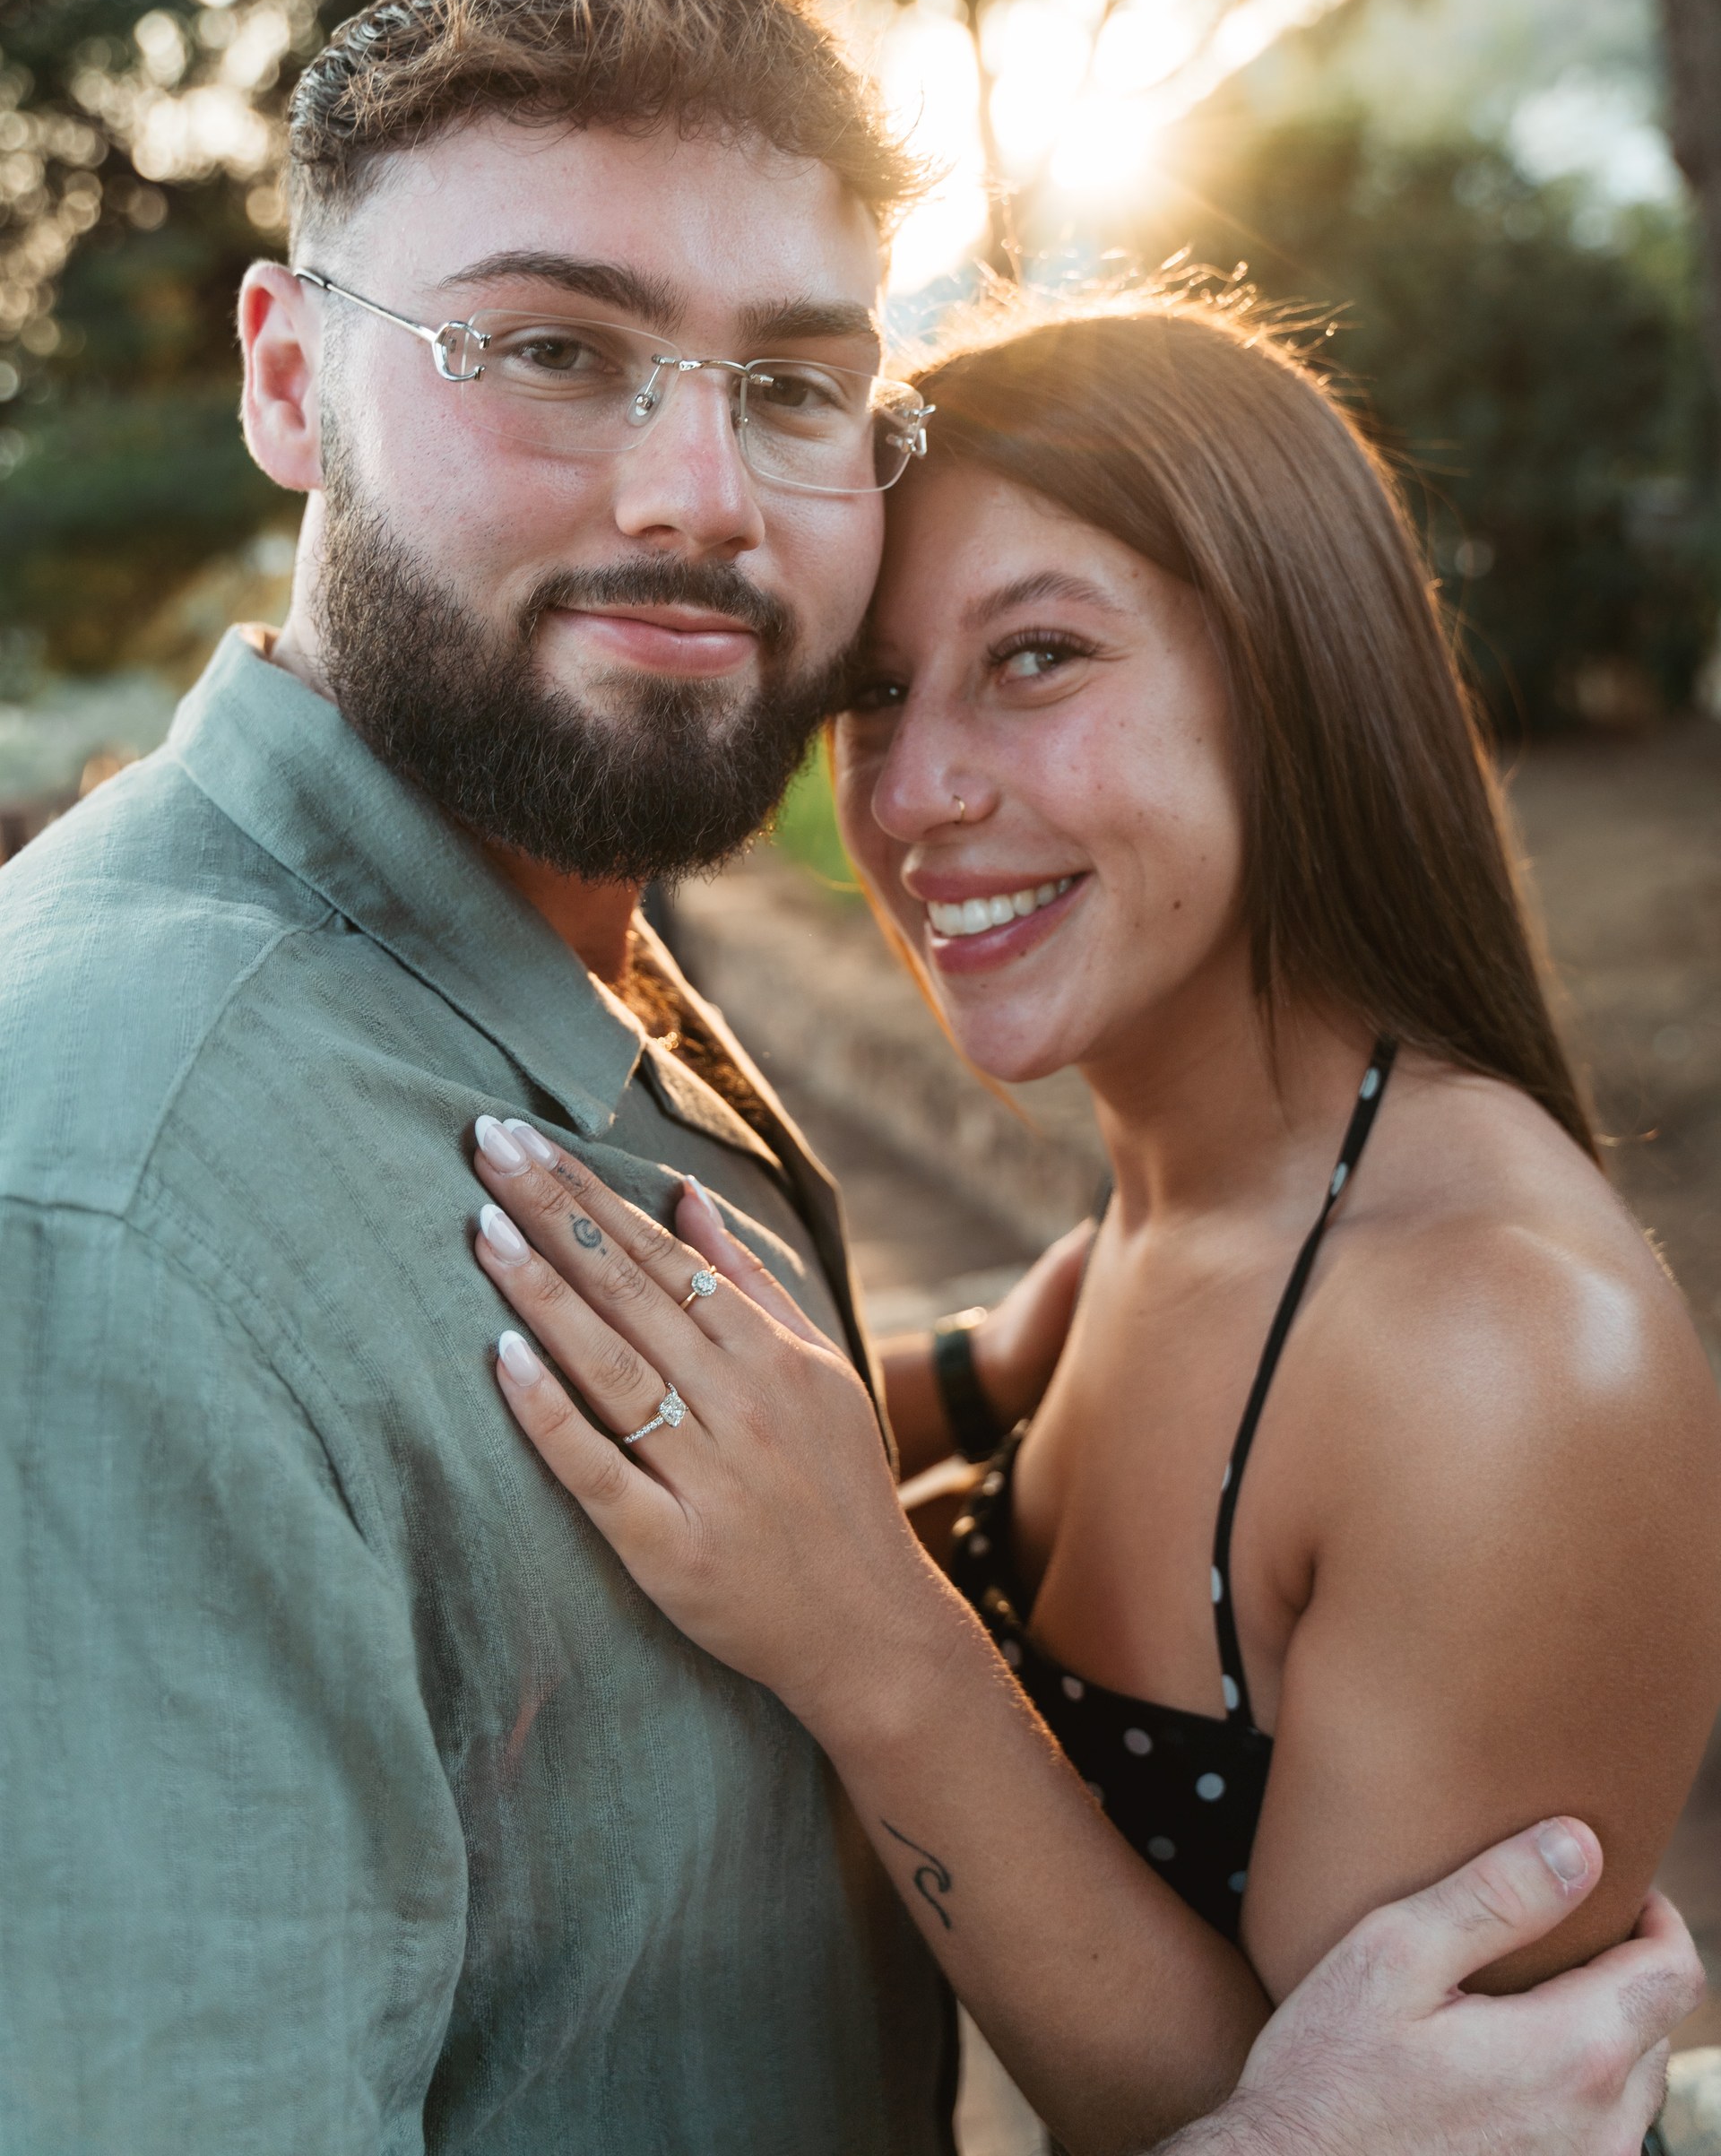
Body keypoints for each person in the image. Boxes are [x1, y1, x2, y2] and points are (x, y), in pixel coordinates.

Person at [0, 0, 1700, 2155]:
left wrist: (927, 1447)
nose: (698, 493)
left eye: (792, 385)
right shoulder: (108, 1221)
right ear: (291, 375)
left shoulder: (551, 967)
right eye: (550, 347)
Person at [456, 290, 1721, 2149]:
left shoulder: (1493, 1353)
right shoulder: (1168, 1213)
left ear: (1293, 674)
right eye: (875, 692)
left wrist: (872, 1635)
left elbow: (1318, 2115)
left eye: (1035, 658)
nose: (916, 793)